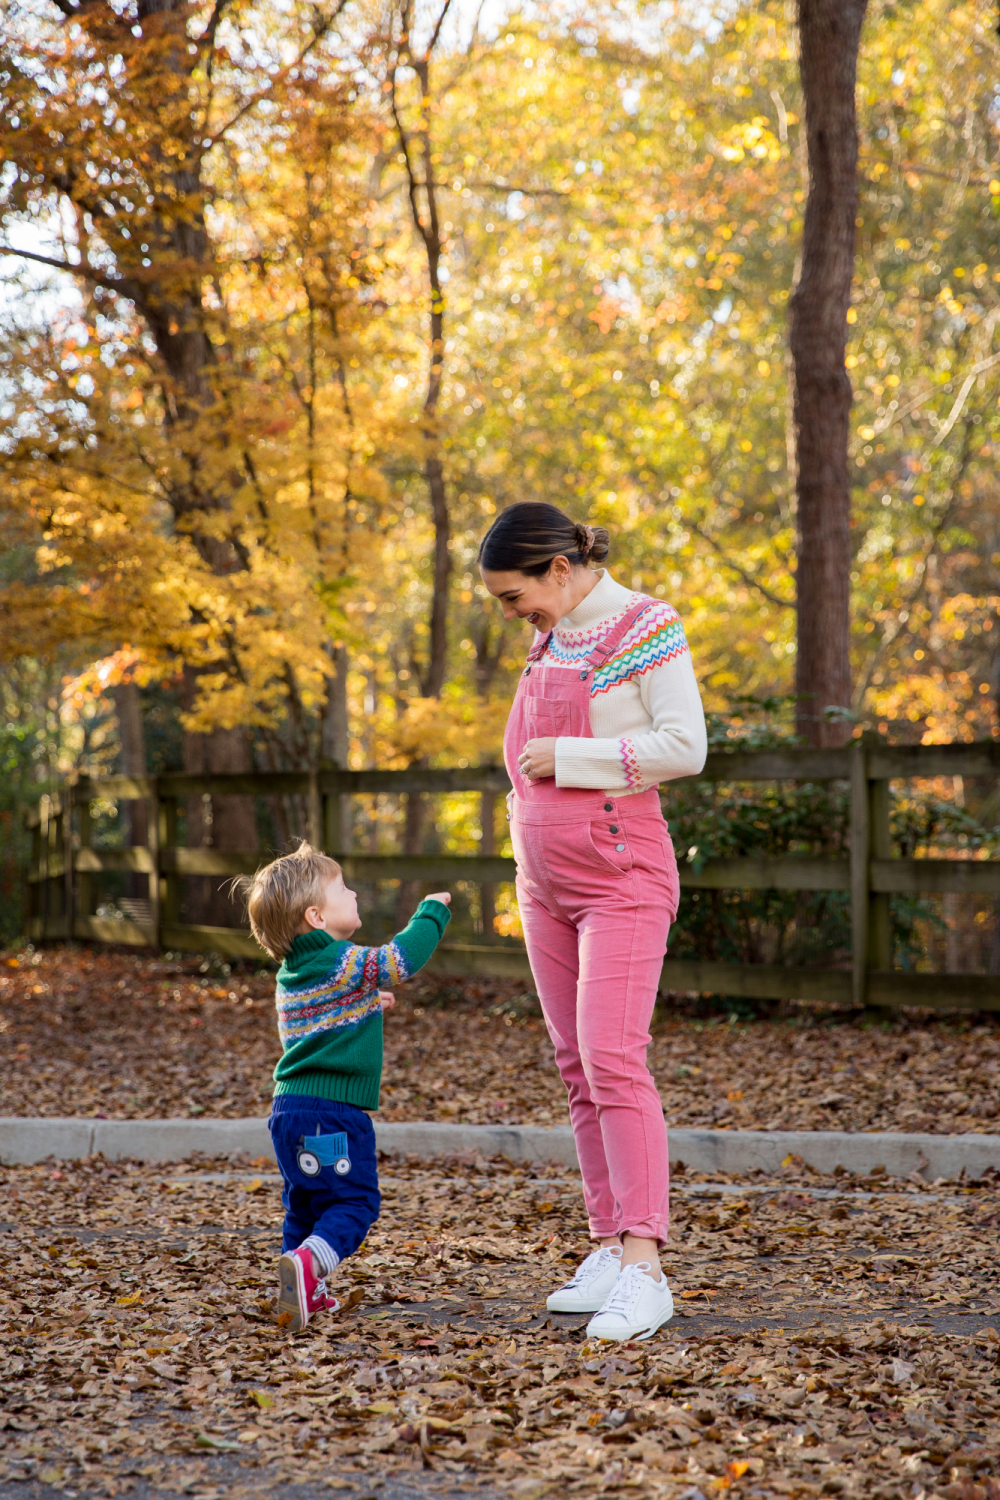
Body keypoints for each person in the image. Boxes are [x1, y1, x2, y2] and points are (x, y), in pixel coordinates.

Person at [479, 500, 706, 1341]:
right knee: (576, 1064)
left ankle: (647, 1268)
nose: (514, 616)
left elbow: (686, 747)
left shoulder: (647, 624)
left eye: (515, 597)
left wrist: (570, 759)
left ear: (559, 571)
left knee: (614, 1059)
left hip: (623, 876)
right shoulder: (553, 633)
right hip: (545, 884)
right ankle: (608, 1244)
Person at [235, 843, 451, 1332]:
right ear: (316, 915)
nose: (353, 893)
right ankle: (312, 1266)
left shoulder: (296, 972)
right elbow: (399, 960)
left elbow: (326, 1017)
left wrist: (367, 1003)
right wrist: (431, 913)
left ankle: (302, 1290)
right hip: (332, 1112)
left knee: (306, 1203)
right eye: (343, 889)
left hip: (289, 1109)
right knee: (354, 1201)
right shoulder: (340, 958)